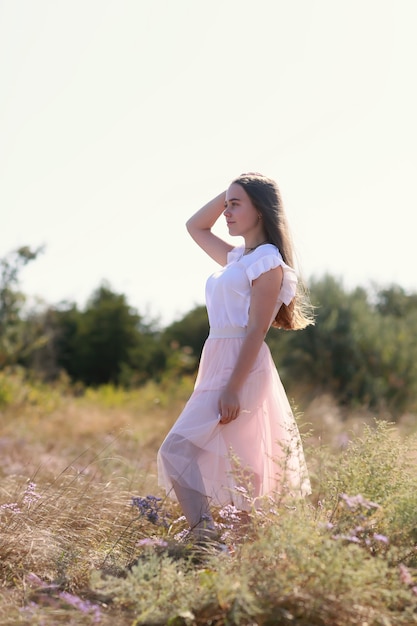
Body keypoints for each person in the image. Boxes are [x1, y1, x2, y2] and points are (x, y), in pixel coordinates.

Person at [157, 172, 314, 541]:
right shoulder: (238, 258)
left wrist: (232, 387)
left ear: (259, 210)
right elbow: (195, 226)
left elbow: (256, 331)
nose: (226, 212)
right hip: (217, 361)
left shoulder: (267, 262)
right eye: (225, 205)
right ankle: (234, 554)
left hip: (239, 367)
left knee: (175, 450)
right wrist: (232, 189)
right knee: (237, 467)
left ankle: (204, 538)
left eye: (235, 205)